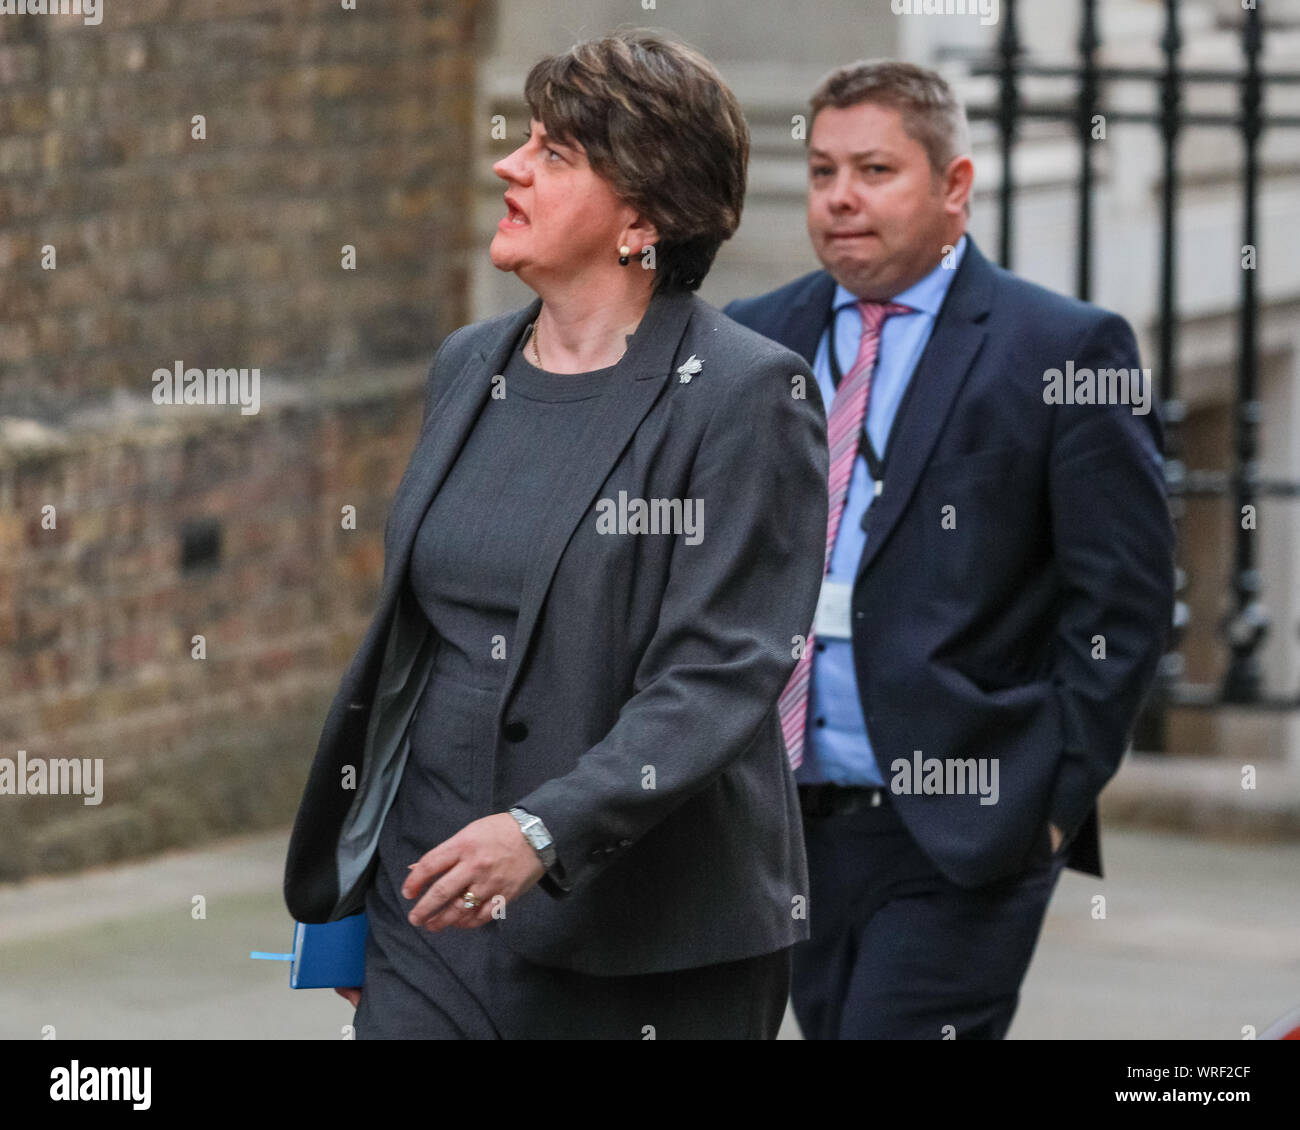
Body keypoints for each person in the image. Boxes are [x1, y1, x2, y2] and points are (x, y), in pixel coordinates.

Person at [282, 28, 829, 1039]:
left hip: (644, 944)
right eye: (525, 140)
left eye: (553, 153)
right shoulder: (467, 364)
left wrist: (540, 830)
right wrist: (362, 888)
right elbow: (416, 653)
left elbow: (718, 674)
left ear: (640, 217)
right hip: (432, 909)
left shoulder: (746, 396)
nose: (509, 165)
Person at [724, 59, 1174, 1039]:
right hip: (782, 820)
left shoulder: (1062, 348)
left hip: (963, 821)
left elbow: (1125, 600)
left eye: (875, 170)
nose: (841, 196)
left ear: (953, 185)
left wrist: (1051, 801)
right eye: (822, 171)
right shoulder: (752, 340)